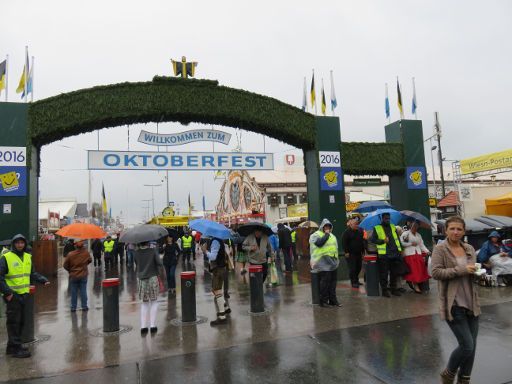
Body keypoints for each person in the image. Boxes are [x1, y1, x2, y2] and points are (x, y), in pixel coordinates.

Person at [432, 216, 480, 384]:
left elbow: (471, 271)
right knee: (467, 345)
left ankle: (464, 379)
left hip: (472, 302)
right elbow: (436, 273)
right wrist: (462, 269)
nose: (455, 232)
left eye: (459, 229)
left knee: (472, 347)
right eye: (452, 228)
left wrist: (478, 273)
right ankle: (449, 373)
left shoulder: (469, 248)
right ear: (445, 230)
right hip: (453, 304)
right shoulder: (440, 249)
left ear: (464, 231)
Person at [0, 234, 50, 358]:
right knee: (14, 323)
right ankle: (16, 348)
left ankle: (12, 347)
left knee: (21, 321)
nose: (20, 245)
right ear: (13, 244)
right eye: (17, 243)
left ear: (25, 244)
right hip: (13, 295)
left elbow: (31, 273)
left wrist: (43, 279)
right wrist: (8, 293)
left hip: (23, 294)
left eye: (22, 243)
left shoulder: (28, 257)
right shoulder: (6, 257)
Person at [134, 241, 165, 335]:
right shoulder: (153, 251)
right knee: (154, 301)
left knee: (144, 303)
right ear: (148, 242)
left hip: (141, 279)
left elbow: (137, 263)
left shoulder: (136, 252)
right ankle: (152, 325)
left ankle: (143, 326)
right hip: (152, 277)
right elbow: (159, 263)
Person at [309, 219, 341, 307]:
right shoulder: (315, 235)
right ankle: (323, 301)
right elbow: (319, 243)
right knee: (325, 283)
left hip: (333, 262)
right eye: (326, 226)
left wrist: (336, 260)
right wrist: (326, 234)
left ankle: (333, 300)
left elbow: (335, 248)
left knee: (333, 282)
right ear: (322, 227)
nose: (327, 228)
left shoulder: (332, 236)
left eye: (329, 227)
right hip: (322, 262)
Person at [370, 213, 403, 297]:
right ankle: (384, 291)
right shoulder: (377, 228)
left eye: (388, 218)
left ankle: (393, 289)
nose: (387, 220)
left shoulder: (393, 227)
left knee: (394, 273)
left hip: (394, 253)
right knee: (384, 274)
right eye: (385, 218)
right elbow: (373, 240)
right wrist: (382, 241)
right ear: (382, 219)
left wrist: (400, 249)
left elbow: (397, 239)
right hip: (384, 255)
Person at [202, 237, 231, 326]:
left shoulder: (215, 241)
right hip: (221, 268)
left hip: (218, 269)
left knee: (216, 290)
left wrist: (205, 251)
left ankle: (222, 316)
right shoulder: (219, 240)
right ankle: (225, 307)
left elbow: (213, 257)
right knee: (216, 290)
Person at [400, 221, 431, 293]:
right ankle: (416, 285)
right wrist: (410, 243)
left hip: (418, 254)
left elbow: (421, 245)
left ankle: (415, 283)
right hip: (409, 254)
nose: (415, 227)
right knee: (413, 271)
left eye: (417, 226)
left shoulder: (418, 235)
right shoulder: (406, 233)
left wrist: (427, 251)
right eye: (414, 226)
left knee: (420, 270)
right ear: (411, 225)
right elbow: (402, 243)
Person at [63, 239, 92, 311]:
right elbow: (90, 260)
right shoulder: (86, 253)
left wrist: (70, 271)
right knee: (83, 290)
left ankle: (73, 307)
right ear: (83, 246)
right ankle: (84, 306)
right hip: (83, 275)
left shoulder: (70, 254)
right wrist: (84, 266)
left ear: (75, 246)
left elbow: (65, 265)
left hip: (74, 275)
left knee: (74, 291)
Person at [342, 218, 366, 288]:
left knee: (359, 267)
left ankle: (356, 280)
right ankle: (353, 282)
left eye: (357, 224)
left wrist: (363, 252)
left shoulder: (360, 231)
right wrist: (346, 252)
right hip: (350, 253)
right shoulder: (346, 232)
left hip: (359, 253)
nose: (356, 225)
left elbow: (362, 242)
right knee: (353, 268)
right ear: (351, 225)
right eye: (355, 224)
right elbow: (344, 242)